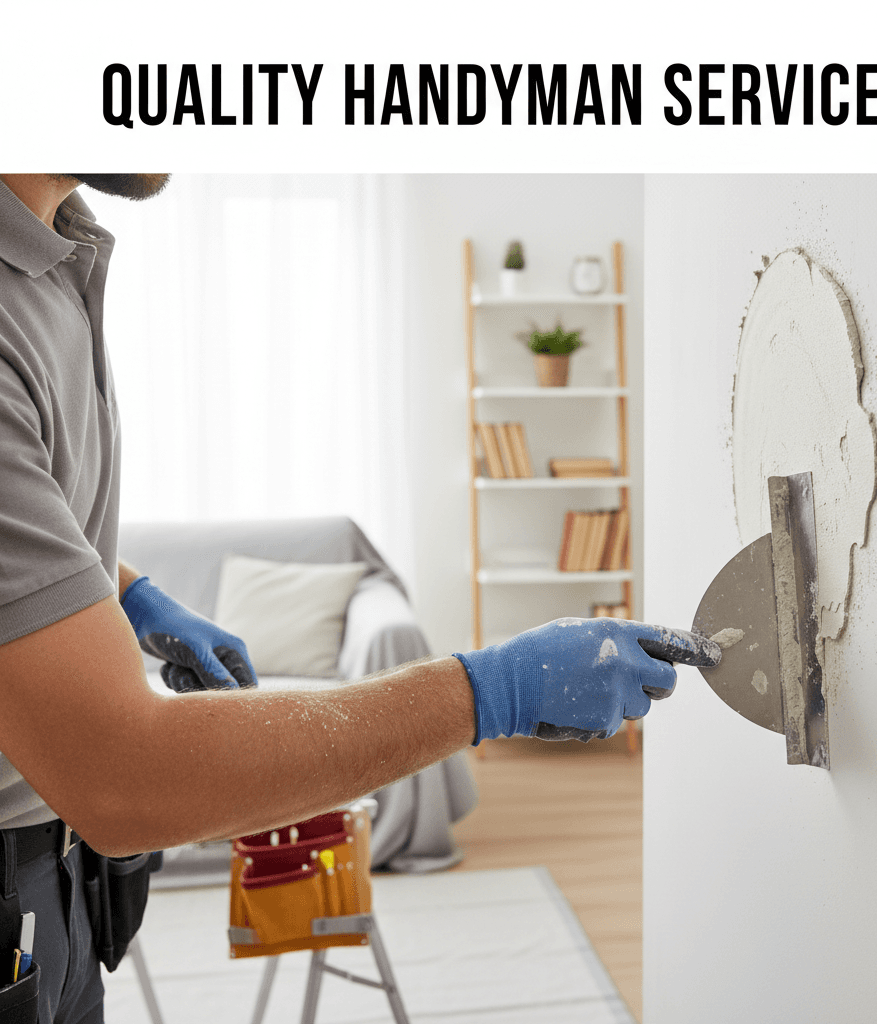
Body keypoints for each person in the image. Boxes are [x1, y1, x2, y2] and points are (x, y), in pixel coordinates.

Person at [0, 173, 719, 1023]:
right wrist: (493, 691)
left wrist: (135, 594)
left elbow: (38, 525)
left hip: (60, 875)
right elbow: (121, 777)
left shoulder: (58, 251)